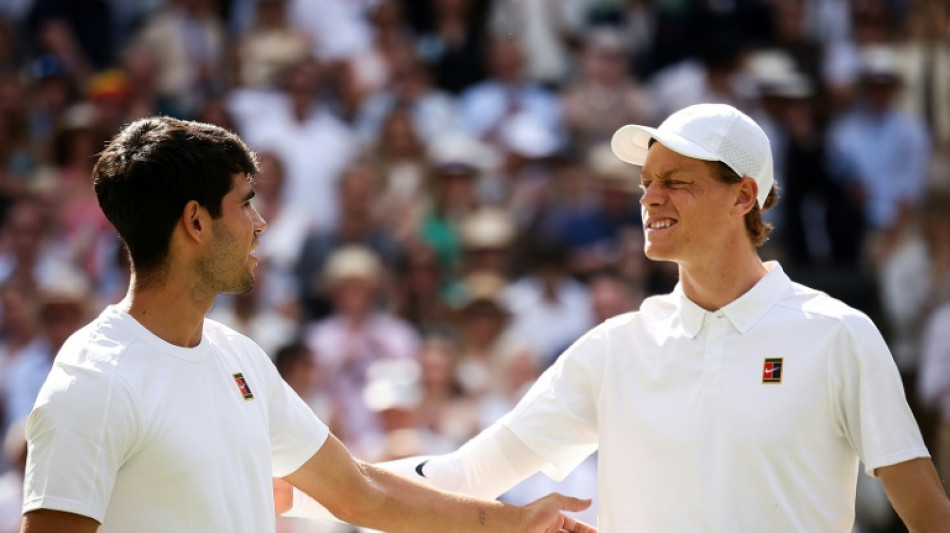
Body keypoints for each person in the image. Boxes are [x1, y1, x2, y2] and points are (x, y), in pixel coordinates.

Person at [284, 103, 950, 531]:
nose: (650, 197)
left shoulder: (838, 334)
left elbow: (927, 514)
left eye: (676, 181)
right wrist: (295, 491)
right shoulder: (612, 349)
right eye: (645, 182)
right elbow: (465, 474)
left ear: (743, 195)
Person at [18, 116, 594, 533]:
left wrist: (515, 524)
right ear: (195, 221)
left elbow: (360, 492)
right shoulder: (94, 381)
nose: (261, 223)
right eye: (245, 203)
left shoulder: (240, 358)